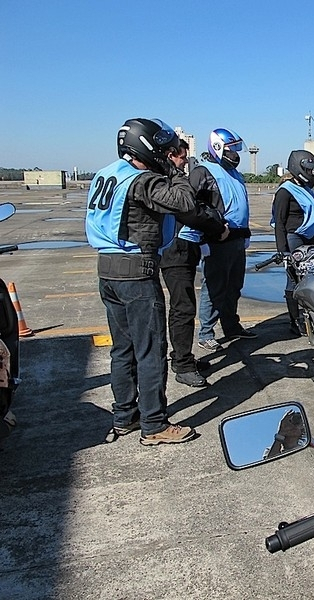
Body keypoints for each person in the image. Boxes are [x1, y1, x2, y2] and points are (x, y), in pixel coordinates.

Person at [85, 118, 201, 445]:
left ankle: (125, 416)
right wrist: (177, 172)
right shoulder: (142, 181)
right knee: (150, 349)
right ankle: (154, 424)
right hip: (135, 271)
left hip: (107, 270)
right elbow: (185, 202)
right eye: (162, 149)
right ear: (145, 148)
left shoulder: (107, 173)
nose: (166, 154)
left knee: (123, 349)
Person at [161, 139, 229, 387]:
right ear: (171, 156)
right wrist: (216, 225)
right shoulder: (167, 180)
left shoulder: (169, 178)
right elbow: (188, 210)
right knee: (183, 307)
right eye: (181, 158)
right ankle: (182, 365)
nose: (184, 163)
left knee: (184, 305)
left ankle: (183, 358)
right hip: (175, 249)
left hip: (184, 248)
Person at [193, 128, 255, 352]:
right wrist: (203, 240)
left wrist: (246, 234)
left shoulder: (236, 174)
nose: (236, 154)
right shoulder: (203, 171)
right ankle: (206, 333)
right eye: (232, 149)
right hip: (217, 239)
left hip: (238, 240)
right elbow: (194, 207)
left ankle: (231, 326)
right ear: (218, 148)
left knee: (234, 286)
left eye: (238, 149)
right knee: (214, 288)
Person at [271, 150, 314, 336]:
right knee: (294, 278)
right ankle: (296, 320)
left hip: (308, 236)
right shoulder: (285, 191)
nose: (311, 174)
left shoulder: (305, 188)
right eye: (308, 170)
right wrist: (282, 251)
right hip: (294, 237)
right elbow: (279, 222)